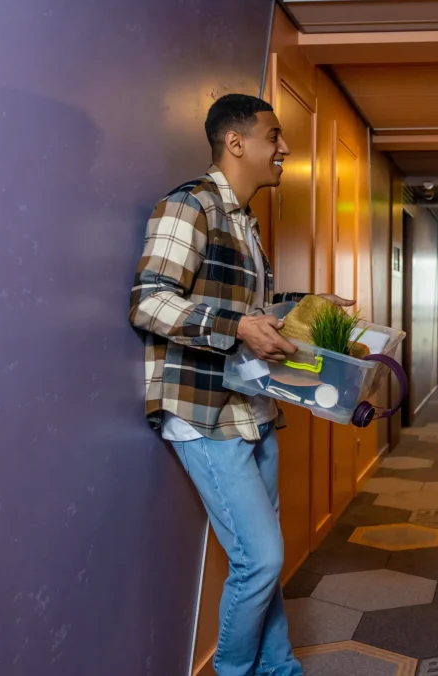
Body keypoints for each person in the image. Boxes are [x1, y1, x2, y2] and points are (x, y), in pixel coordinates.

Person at [130, 93, 351, 676]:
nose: (285, 148)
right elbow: (150, 302)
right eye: (274, 136)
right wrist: (236, 326)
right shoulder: (189, 206)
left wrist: (305, 303)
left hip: (252, 408)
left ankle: (279, 669)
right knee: (261, 560)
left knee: (261, 561)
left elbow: (246, 311)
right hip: (203, 412)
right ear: (235, 142)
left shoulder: (243, 220)